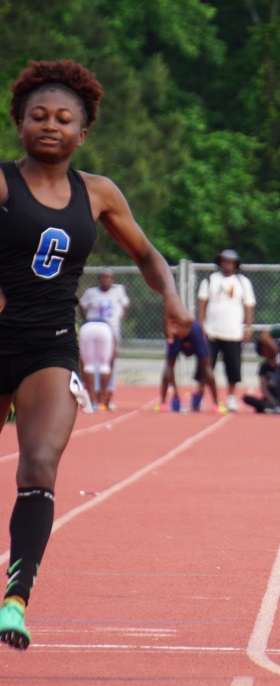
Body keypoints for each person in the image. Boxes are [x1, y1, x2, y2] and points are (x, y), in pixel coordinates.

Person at [0, 60, 193, 650]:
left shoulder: (99, 192)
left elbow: (147, 253)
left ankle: (14, 602)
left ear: (83, 132)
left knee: (38, 466)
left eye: (64, 118)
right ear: (20, 124)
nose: (50, 125)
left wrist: (173, 297)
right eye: (38, 116)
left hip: (50, 347)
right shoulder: (3, 182)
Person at [196, 249, 256, 412]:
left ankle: (230, 397)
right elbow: (202, 303)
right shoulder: (209, 281)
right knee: (206, 366)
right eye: (224, 261)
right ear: (220, 263)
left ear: (235, 264)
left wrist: (248, 327)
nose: (227, 264)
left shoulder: (243, 283)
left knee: (233, 368)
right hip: (211, 331)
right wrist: (200, 325)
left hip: (233, 332)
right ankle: (199, 397)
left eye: (230, 262)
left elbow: (249, 305)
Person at [77, 267, 129, 409]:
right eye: (103, 277)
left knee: (105, 363)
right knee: (96, 363)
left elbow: (127, 306)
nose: (106, 280)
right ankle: (96, 398)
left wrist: (119, 320)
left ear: (112, 280)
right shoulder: (91, 293)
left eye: (109, 278)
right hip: (96, 326)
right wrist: (86, 318)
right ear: (99, 279)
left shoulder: (118, 291)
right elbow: (81, 305)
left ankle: (104, 398)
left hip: (111, 329)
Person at [157, 320, 223, 414]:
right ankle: (216, 405)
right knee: (206, 366)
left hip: (178, 328)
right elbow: (207, 367)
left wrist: (199, 389)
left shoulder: (173, 316)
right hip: (193, 329)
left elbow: (169, 367)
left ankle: (163, 404)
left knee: (169, 364)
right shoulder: (196, 328)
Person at [77, 319, 115, 410]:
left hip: (87, 326)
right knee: (105, 366)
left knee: (88, 365)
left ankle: (93, 401)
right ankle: (101, 401)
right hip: (105, 327)